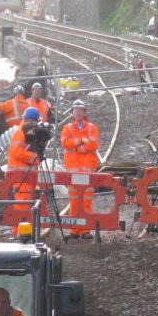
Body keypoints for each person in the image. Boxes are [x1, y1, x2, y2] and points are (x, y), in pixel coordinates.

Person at [60, 99, 101, 238]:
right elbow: (65, 143)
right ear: (72, 113)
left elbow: (94, 144)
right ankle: (74, 231)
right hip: (73, 172)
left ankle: (85, 230)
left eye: (80, 110)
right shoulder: (67, 128)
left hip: (87, 171)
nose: (78, 112)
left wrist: (78, 147)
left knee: (86, 201)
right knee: (74, 201)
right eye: (75, 110)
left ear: (84, 112)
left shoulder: (92, 127)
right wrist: (81, 141)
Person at [7, 107, 43, 211]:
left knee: (26, 206)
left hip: (28, 177)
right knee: (22, 207)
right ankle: (19, 227)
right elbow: (16, 152)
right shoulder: (20, 132)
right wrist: (34, 158)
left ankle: (25, 227)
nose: (37, 123)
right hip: (21, 177)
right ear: (31, 120)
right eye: (36, 120)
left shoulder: (28, 132)